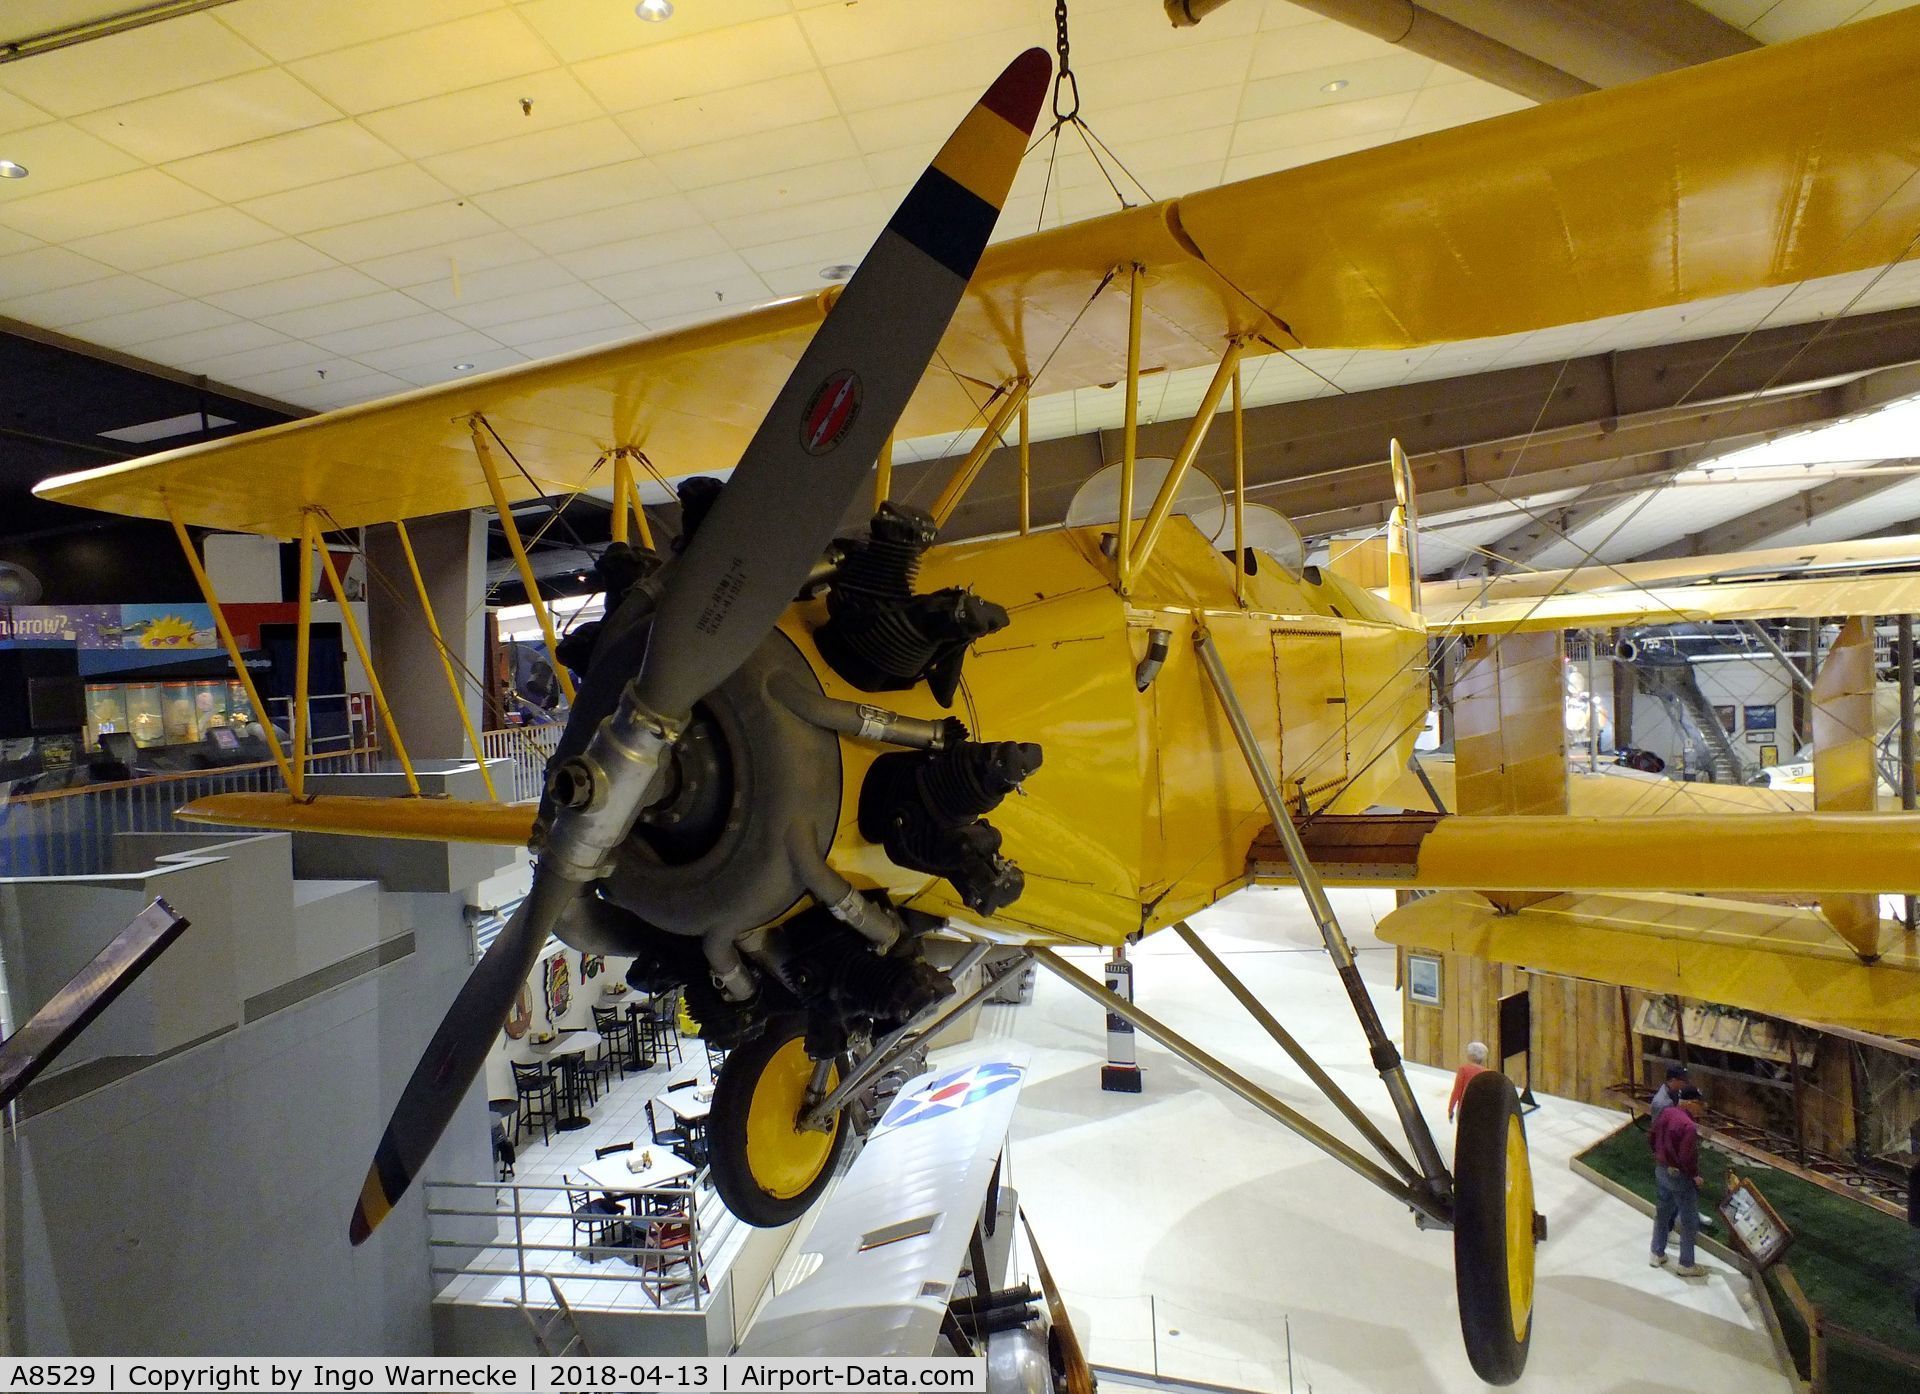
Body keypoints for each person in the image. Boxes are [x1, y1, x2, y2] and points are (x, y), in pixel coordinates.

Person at [1650, 1086, 1709, 1276]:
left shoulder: (1666, 1113)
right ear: (1691, 1103)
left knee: (1662, 1212)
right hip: (1680, 1178)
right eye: (1701, 1104)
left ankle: (1656, 1252)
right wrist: (1695, 1176)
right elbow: (1686, 1157)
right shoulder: (1689, 1126)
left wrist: (1660, 1158)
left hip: (1661, 1170)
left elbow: (1652, 1137)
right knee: (1689, 1220)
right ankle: (1686, 1264)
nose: (1702, 1109)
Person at [1448, 1041, 1489, 1122]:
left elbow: (1457, 1091)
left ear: (1469, 1055)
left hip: (1464, 1106)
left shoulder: (1464, 1070)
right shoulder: (1487, 1072)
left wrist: (1450, 1109)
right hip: (1480, 1108)